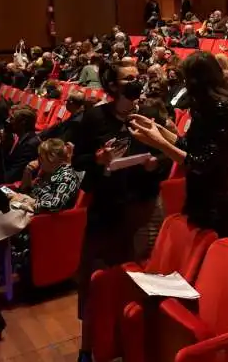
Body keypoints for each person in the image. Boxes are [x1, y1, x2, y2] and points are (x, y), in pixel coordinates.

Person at [74, 58, 172, 362]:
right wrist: (99, 161)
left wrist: (156, 164)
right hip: (107, 212)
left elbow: (166, 156)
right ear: (113, 86)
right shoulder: (94, 119)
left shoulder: (148, 115)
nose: (136, 82)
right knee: (96, 282)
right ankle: (88, 349)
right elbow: (79, 162)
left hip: (144, 208)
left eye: (137, 76)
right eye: (129, 78)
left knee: (141, 279)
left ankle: (133, 343)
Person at [128, 51, 228, 235]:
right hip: (197, 193)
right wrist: (158, 130)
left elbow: (200, 163)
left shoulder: (222, 109)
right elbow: (187, 144)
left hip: (214, 200)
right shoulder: (203, 106)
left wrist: (158, 142)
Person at [9, 139, 81, 278]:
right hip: (27, 214)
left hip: (44, 225)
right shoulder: (47, 171)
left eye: (40, 157)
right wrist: (27, 172)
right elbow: (27, 190)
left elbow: (55, 204)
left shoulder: (66, 176)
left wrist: (29, 203)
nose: (38, 160)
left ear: (52, 158)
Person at [0, 106, 40, 184]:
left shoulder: (30, 145)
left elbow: (8, 178)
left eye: (12, 118)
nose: (7, 121)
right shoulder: (20, 138)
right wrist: (5, 143)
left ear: (23, 122)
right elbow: (6, 165)